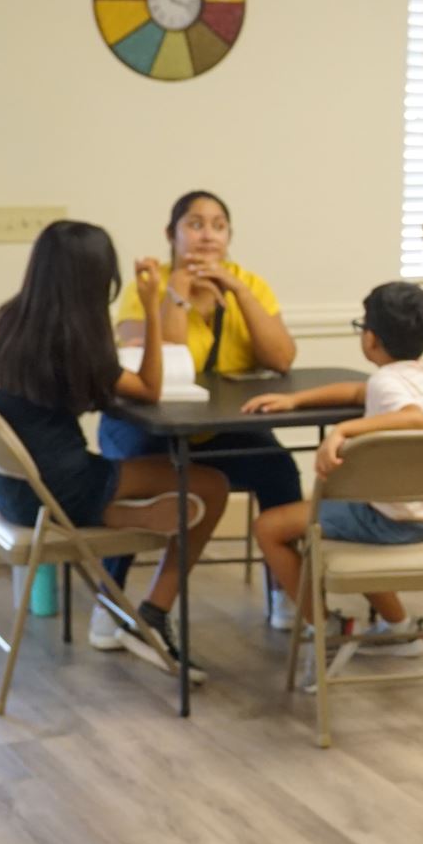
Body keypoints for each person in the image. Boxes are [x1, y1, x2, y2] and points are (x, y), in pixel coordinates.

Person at [0, 220, 229, 680]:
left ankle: (134, 518)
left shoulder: (5, 321)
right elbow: (150, 388)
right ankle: (151, 612)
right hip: (60, 492)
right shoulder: (75, 342)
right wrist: (153, 309)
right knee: (211, 485)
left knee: (148, 480)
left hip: (12, 492)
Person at [94, 189, 304, 643]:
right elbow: (164, 367)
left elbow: (283, 359)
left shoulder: (249, 282)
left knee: (280, 471)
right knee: (135, 485)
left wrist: (239, 292)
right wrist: (178, 294)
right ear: (172, 235)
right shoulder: (147, 286)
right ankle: (109, 600)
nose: (207, 235)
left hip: (220, 431)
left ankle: (284, 591)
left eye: (218, 225)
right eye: (195, 224)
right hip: (147, 428)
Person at [243, 282, 423, 684]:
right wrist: (296, 400)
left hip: (396, 523)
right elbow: (363, 390)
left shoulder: (389, 386)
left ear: (371, 337)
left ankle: (324, 628)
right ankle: (399, 629)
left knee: (270, 527)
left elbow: (413, 417)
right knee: (354, 511)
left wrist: (342, 429)